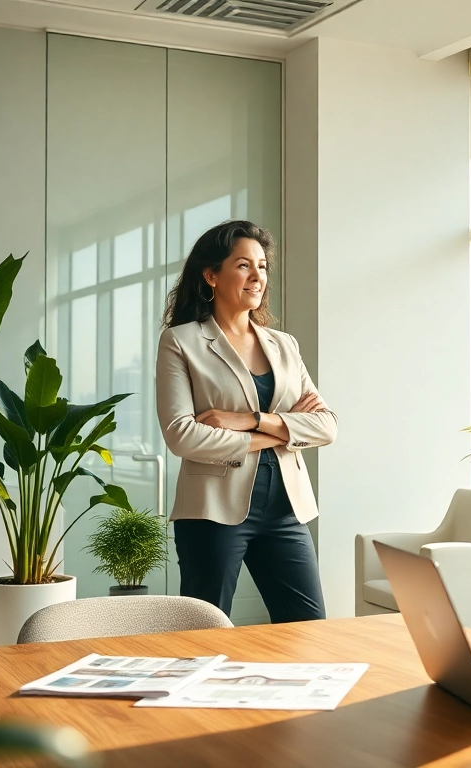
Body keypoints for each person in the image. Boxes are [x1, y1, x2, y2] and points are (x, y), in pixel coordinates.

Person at [156, 220, 335, 623]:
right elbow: (182, 436)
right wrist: (281, 430)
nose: (258, 276)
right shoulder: (182, 341)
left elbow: (326, 426)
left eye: (262, 266)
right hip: (212, 513)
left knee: (308, 630)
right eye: (243, 265)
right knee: (203, 634)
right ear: (211, 275)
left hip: (286, 510)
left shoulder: (284, 344)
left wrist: (248, 420)